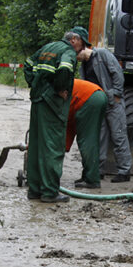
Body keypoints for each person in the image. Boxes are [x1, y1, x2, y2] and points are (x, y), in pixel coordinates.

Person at [23, 27, 88, 202]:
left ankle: (34, 190)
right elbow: (65, 69)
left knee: (36, 145)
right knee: (52, 146)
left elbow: (28, 64)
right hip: (52, 104)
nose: (82, 49)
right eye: (82, 43)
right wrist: (60, 89)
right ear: (74, 39)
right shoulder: (68, 51)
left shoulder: (48, 47)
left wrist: (35, 84)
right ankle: (50, 192)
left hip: (37, 100)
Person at [77, 35, 132, 183]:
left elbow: (117, 73)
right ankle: (98, 171)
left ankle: (124, 171)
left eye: (76, 54)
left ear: (82, 49)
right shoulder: (84, 65)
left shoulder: (102, 54)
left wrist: (116, 94)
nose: (76, 58)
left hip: (112, 102)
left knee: (118, 135)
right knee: (99, 138)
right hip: (99, 104)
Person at [65, 79, 107, 189]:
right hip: (95, 96)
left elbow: (64, 126)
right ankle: (88, 176)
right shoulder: (58, 88)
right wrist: (65, 146)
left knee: (87, 141)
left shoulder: (55, 94)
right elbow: (70, 127)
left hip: (90, 98)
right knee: (88, 139)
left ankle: (92, 180)